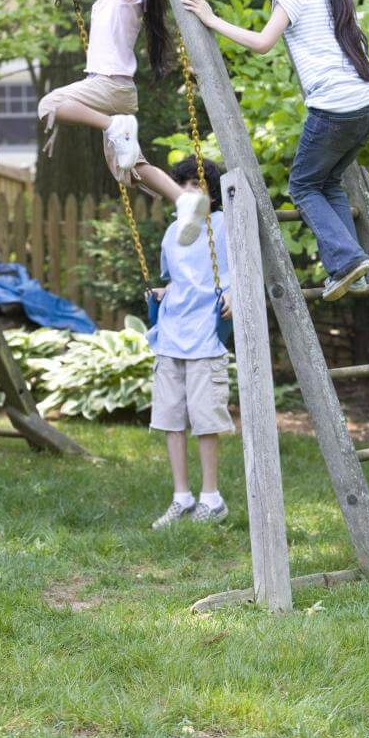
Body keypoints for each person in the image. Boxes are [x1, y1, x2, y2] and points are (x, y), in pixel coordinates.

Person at [182, 0, 369, 301]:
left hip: (334, 109)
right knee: (327, 183)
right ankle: (352, 269)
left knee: (302, 186)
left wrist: (211, 19)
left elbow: (263, 43)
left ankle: (346, 260)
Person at [38, 0, 208, 246]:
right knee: (132, 168)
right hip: (117, 92)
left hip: (108, 85)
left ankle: (114, 126)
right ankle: (184, 200)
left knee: (50, 104)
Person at [148, 156, 234, 529]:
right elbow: (178, 280)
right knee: (171, 419)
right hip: (170, 336)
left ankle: (211, 498)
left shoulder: (225, 225)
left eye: (195, 185)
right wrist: (162, 292)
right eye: (181, 185)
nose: (186, 191)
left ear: (212, 195)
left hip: (205, 336)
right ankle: (181, 497)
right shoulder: (172, 233)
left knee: (205, 419)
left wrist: (235, 293)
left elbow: (244, 269)